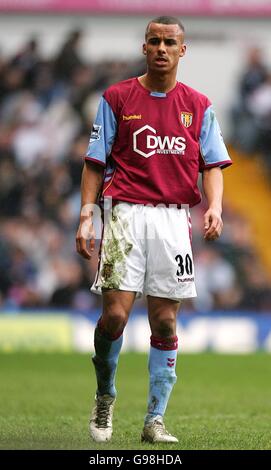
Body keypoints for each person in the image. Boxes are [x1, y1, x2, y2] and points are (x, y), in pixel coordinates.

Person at [76, 16, 232, 444]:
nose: (161, 48)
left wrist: (214, 206)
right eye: (154, 41)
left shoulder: (199, 105)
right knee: (115, 316)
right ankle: (105, 396)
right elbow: (94, 161)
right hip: (126, 213)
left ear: (183, 51)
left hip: (173, 219)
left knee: (164, 323)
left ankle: (154, 420)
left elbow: (213, 165)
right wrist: (88, 212)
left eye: (170, 42)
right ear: (144, 47)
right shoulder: (117, 97)